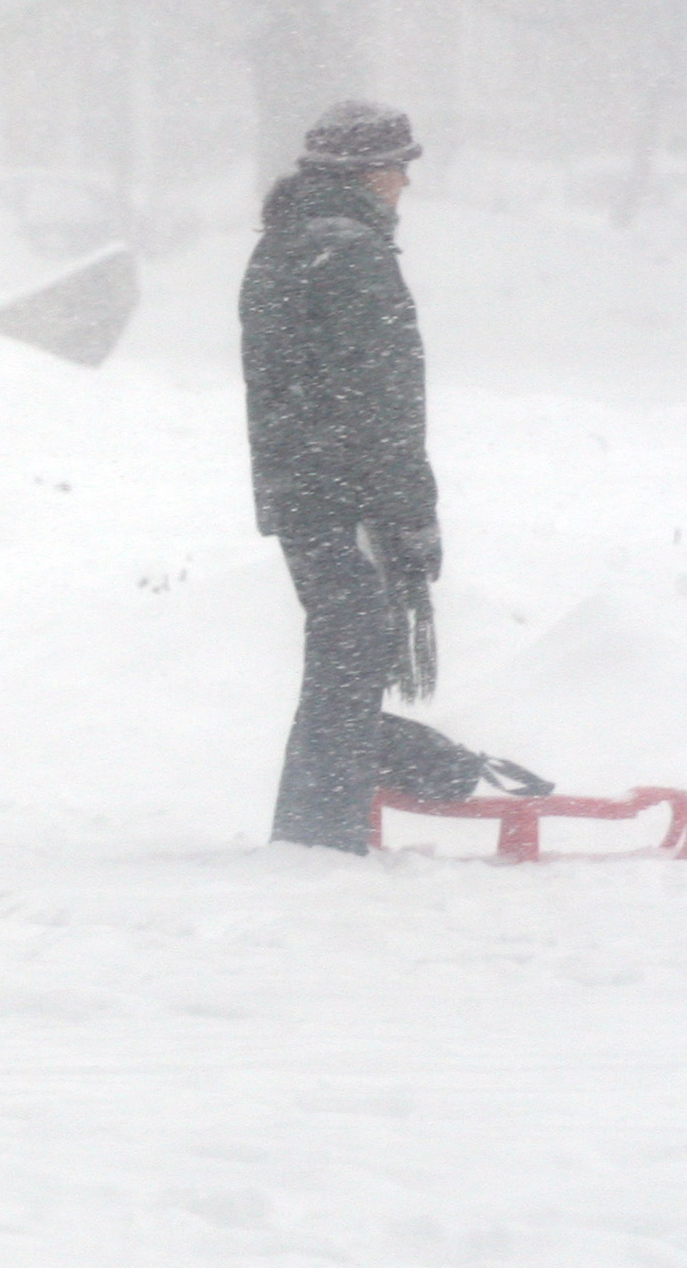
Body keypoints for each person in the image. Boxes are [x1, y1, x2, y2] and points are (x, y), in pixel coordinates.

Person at [237, 99, 444, 852]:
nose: (405, 183)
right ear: (367, 171)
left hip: (301, 487)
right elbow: (385, 402)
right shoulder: (351, 253)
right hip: (348, 492)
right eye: (399, 167)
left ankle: (321, 823)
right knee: (351, 657)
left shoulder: (284, 243)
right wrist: (409, 515)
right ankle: (321, 833)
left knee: (343, 652)